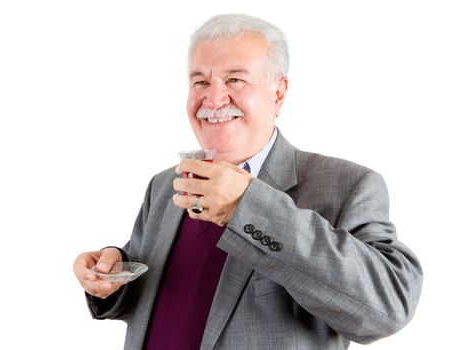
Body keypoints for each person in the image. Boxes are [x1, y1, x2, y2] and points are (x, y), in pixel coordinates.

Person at [73, 13, 423, 350]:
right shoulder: (166, 186)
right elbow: (163, 299)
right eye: (200, 81)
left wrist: (248, 205)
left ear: (278, 92)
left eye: (235, 79)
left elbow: (387, 308)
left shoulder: (347, 186)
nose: (213, 98)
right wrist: (112, 275)